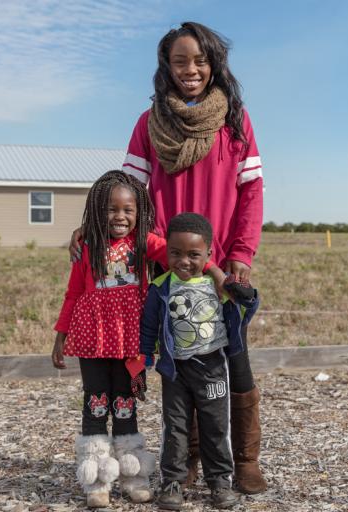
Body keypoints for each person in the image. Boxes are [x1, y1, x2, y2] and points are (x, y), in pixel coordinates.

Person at [122, 21, 266, 494]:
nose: (191, 70)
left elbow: (251, 192)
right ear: (166, 66)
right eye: (180, 60)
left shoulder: (235, 121)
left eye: (200, 60)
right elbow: (132, 196)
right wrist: (163, 251)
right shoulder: (148, 125)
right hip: (171, 269)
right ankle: (184, 463)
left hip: (223, 270)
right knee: (182, 366)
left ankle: (243, 461)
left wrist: (240, 255)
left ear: (214, 64)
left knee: (234, 363)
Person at [54, 171, 225, 508]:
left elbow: (185, 253)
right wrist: (61, 335)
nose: (120, 217)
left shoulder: (145, 243)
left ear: (139, 212)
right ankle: (98, 480)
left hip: (131, 340)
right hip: (94, 338)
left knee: (125, 402)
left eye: (128, 210)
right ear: (97, 210)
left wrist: (216, 272)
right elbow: (73, 293)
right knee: (96, 402)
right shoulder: (88, 246)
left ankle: (134, 474)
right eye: (111, 209)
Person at [140, 213, 260, 510]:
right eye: (175, 253)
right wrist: (142, 361)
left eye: (194, 255)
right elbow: (148, 327)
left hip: (212, 369)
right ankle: (172, 482)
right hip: (175, 371)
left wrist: (241, 290)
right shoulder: (160, 287)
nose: (183, 261)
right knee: (175, 427)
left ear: (208, 254)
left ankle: (219, 482)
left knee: (215, 426)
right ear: (166, 251)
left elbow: (249, 304)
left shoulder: (216, 284)